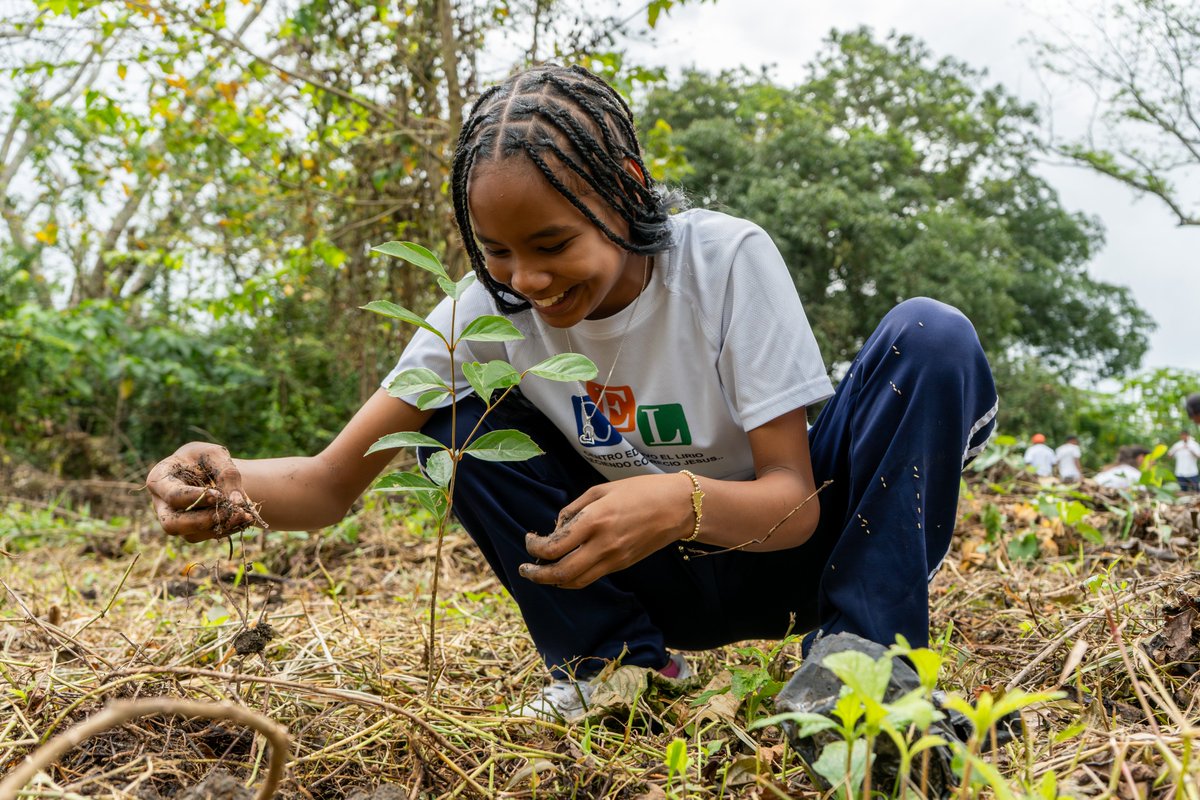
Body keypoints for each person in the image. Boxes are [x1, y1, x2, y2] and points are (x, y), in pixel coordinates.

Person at [146, 64, 997, 720]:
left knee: (931, 335)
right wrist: (226, 485)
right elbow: (332, 485)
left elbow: (794, 502)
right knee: (456, 416)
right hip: (637, 574)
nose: (529, 279)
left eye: (553, 241)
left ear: (624, 184)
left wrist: (677, 501)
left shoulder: (724, 263)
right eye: (499, 252)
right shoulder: (484, 314)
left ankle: (862, 664)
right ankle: (617, 666)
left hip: (793, 555)